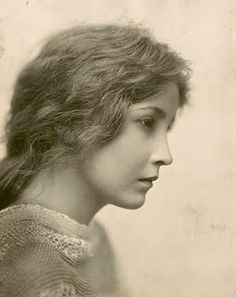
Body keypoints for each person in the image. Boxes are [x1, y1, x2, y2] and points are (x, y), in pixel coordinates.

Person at [0, 24, 191, 296]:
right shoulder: (26, 261)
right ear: (71, 121)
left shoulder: (91, 239)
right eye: (147, 122)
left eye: (166, 129)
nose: (166, 156)